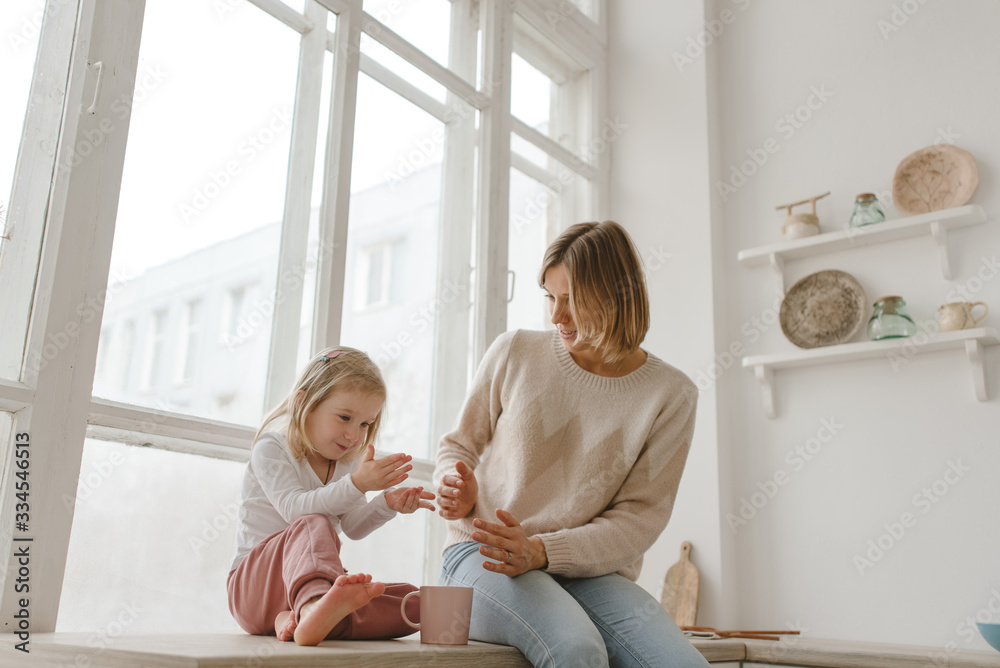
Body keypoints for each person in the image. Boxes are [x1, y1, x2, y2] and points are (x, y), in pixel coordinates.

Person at [434, 221, 708, 668]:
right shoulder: (515, 352)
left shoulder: (671, 395)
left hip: (588, 574)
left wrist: (544, 551)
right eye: (550, 297)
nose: (556, 316)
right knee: (575, 648)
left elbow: (639, 519)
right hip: (485, 556)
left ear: (618, 297)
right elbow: (458, 447)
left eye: (573, 301)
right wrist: (453, 486)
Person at [228, 347, 435, 646]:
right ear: (304, 404)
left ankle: (299, 617)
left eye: (364, 424)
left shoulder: (348, 462)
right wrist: (357, 484)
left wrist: (386, 504)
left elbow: (353, 527)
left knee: (411, 600)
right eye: (345, 417)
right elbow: (294, 510)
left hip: (302, 589)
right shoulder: (272, 448)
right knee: (313, 522)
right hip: (252, 589)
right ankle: (315, 608)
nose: (354, 435)